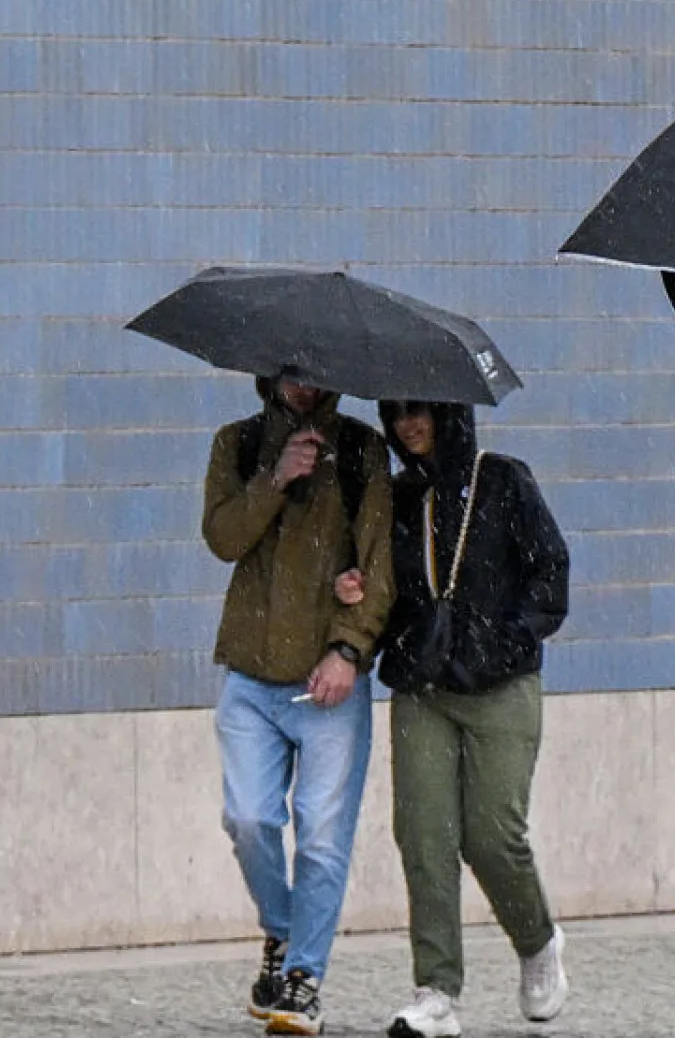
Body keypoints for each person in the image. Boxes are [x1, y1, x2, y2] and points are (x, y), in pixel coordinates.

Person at [356, 400, 571, 1038]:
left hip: (501, 686)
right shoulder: (396, 499)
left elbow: (550, 575)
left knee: (491, 835)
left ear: (449, 411)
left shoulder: (502, 480)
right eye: (395, 414)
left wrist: (502, 641)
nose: (407, 425)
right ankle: (436, 991)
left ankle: (537, 942)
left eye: (419, 411)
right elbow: (382, 590)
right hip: (422, 687)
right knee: (423, 834)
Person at [202, 374, 395, 1036]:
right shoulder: (239, 442)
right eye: (293, 369)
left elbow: (378, 566)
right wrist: (275, 477)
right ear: (270, 374)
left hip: (326, 680)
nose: (305, 383)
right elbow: (223, 538)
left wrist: (348, 649)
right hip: (251, 676)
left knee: (319, 836)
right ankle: (282, 935)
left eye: (318, 371)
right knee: (249, 819)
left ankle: (303, 976)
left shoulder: (364, 451)